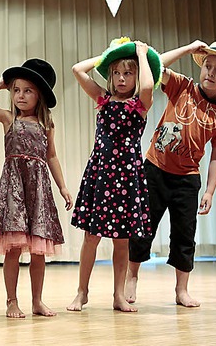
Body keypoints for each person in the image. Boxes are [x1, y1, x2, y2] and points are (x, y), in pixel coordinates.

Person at [126, 40, 216, 307]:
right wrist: (186, 49)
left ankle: (181, 289)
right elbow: (155, 64)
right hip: (155, 169)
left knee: (184, 234)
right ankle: (132, 276)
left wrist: (210, 190)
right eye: (208, 66)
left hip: (187, 179)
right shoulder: (182, 86)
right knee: (143, 228)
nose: (211, 73)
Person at [0, 58, 73, 318]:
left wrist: (62, 187)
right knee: (14, 249)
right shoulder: (9, 119)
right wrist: (0, 84)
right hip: (14, 189)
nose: (20, 95)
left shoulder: (46, 125)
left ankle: (37, 301)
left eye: (27, 90)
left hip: (38, 189)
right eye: (16, 90)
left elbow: (52, 156)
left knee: (39, 251)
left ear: (39, 94)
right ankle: (11, 301)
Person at [66, 38, 158, 312]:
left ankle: (119, 294)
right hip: (101, 174)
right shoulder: (102, 100)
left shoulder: (140, 105)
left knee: (122, 240)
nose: (121, 78)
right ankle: (82, 292)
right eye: (116, 73)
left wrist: (140, 54)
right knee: (91, 237)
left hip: (128, 177)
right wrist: (109, 55)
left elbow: (149, 86)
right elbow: (77, 70)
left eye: (127, 73)